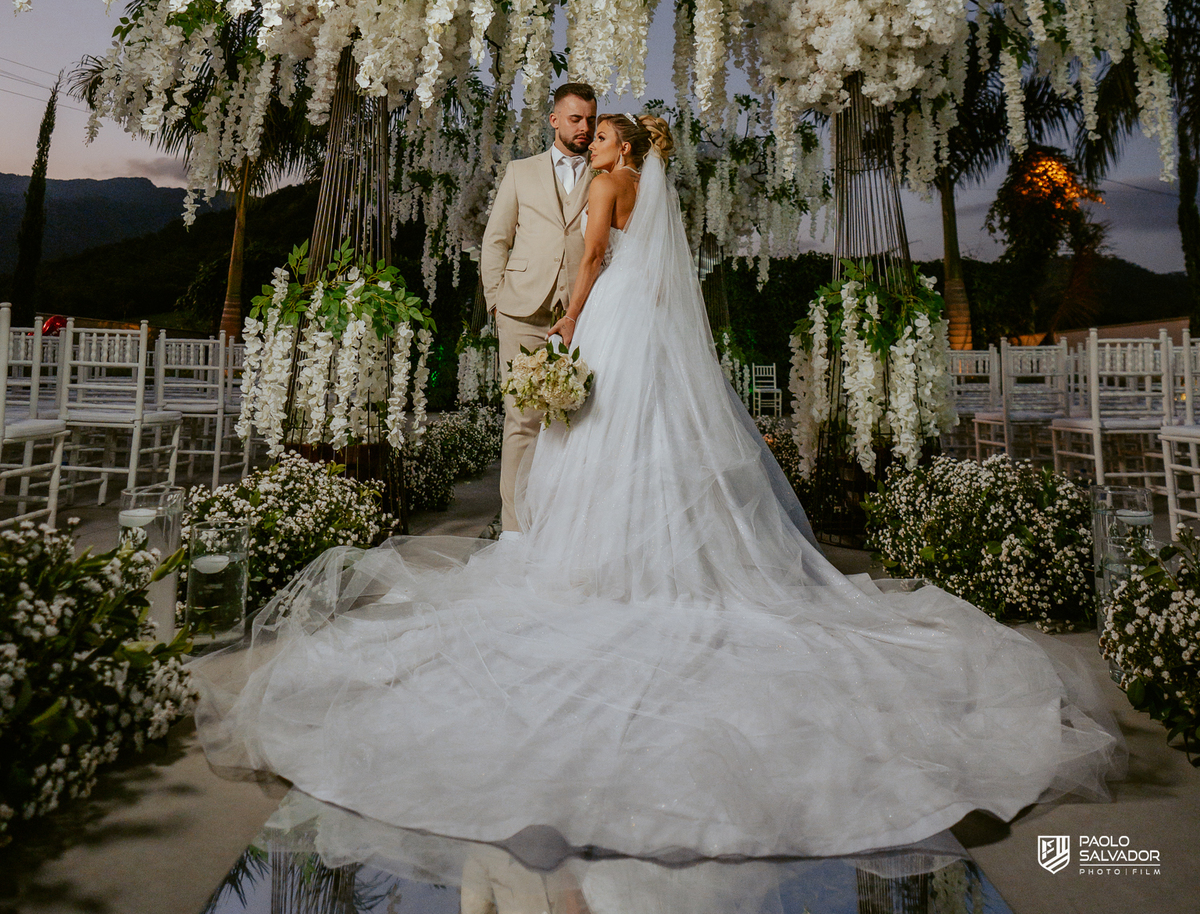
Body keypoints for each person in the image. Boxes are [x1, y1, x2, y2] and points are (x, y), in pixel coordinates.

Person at [192, 111, 1123, 863]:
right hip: (650, 328)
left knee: (591, 442)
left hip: (605, 321)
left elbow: (591, 262)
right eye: (589, 134)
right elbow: (660, 280)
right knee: (646, 444)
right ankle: (658, 563)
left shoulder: (607, 185)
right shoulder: (652, 195)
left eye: (601, 135)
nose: (591, 141)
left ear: (622, 150)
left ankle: (595, 569)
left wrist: (565, 330)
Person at [480, 82, 596, 532]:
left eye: (590, 119)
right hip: (521, 311)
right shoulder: (520, 171)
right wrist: (496, 303)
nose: (584, 127)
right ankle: (514, 532)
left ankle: (563, 533)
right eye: (575, 119)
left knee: (579, 423)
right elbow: (496, 240)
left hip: (581, 316)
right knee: (522, 421)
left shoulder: (605, 171)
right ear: (554, 120)